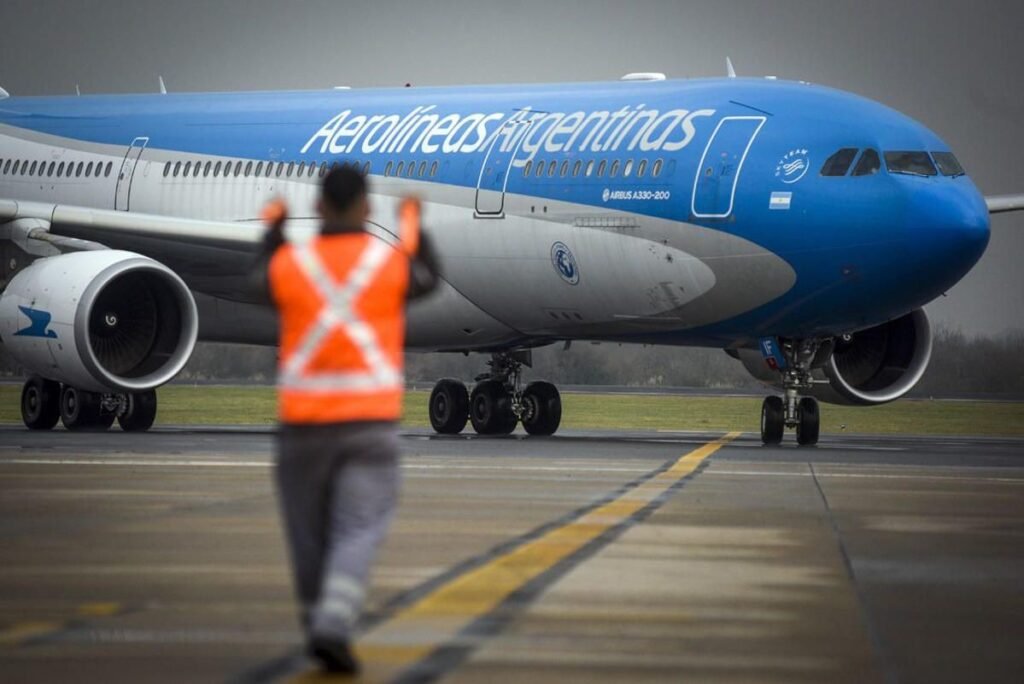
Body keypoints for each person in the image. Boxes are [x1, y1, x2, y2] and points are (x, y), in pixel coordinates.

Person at [254, 165, 439, 673]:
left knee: (307, 535)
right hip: (369, 427)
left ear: (317, 207)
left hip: (303, 429)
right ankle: (333, 623)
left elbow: (261, 281)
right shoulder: (388, 263)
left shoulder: (293, 261)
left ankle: (319, 620)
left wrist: (273, 227)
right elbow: (427, 274)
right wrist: (413, 222)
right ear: (366, 207)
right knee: (357, 529)